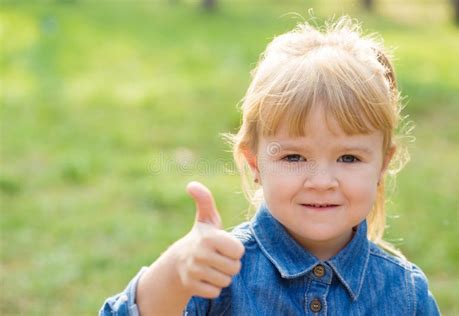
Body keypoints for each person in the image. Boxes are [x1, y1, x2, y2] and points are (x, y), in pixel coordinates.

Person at [100, 16, 440, 315]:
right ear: (254, 163)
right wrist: (174, 271)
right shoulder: (220, 273)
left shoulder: (406, 295)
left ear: (383, 164)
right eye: (294, 157)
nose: (321, 181)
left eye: (348, 158)